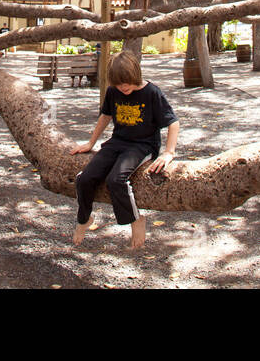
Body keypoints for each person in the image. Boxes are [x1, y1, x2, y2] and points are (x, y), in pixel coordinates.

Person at [71, 50, 179, 251]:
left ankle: (135, 220)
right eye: (118, 84)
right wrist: (90, 143)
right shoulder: (113, 92)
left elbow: (173, 123)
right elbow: (105, 116)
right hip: (118, 142)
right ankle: (83, 219)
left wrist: (169, 152)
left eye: (126, 83)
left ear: (135, 76)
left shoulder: (152, 93)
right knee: (84, 178)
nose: (123, 88)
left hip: (142, 145)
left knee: (116, 180)